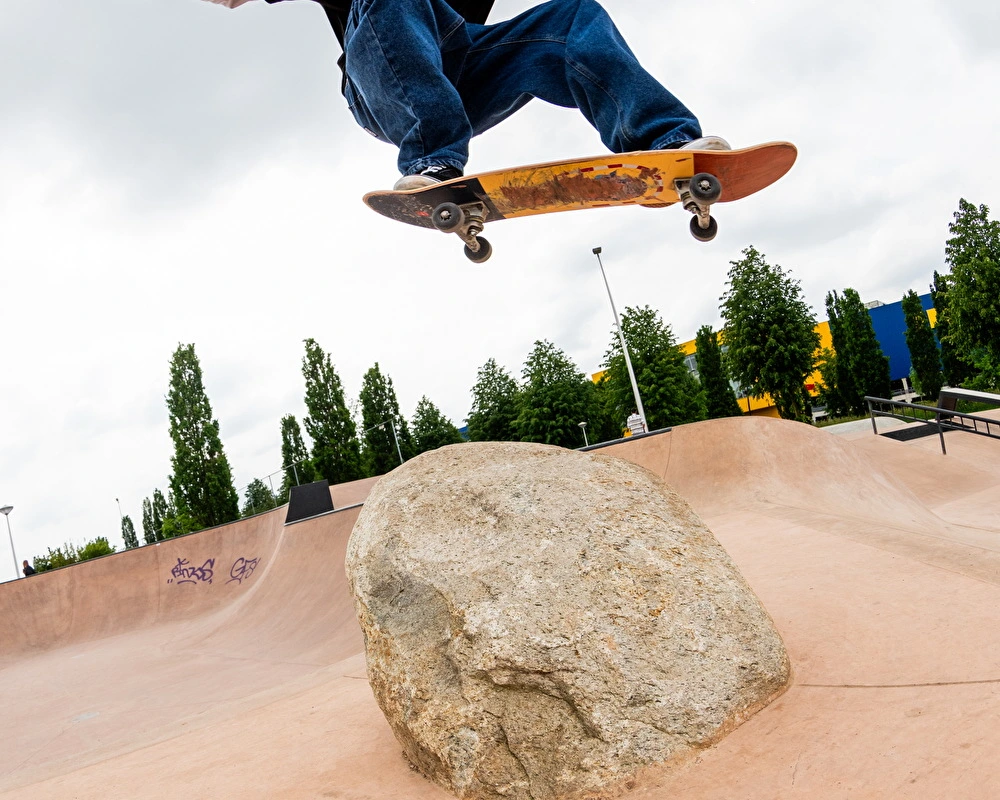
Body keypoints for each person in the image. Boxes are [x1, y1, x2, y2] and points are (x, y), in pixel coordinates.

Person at [204, 0, 728, 189]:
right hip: (381, 83)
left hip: (466, 73)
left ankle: (665, 142)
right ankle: (433, 161)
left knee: (575, 17)